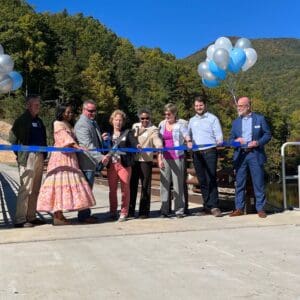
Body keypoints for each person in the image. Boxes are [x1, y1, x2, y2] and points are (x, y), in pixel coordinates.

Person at [37, 104, 96, 225]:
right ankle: (58, 215)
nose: (69, 114)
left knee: (68, 186)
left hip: (70, 158)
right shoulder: (57, 123)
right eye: (67, 112)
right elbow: (64, 139)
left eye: (71, 112)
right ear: (61, 112)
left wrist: (79, 146)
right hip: (61, 158)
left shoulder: (69, 124)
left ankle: (60, 216)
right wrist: (77, 147)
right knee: (59, 186)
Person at [229, 96, 271, 218]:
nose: (239, 108)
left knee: (258, 182)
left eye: (241, 106)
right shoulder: (236, 122)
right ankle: (239, 208)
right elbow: (230, 139)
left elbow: (268, 134)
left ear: (248, 106)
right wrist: (236, 140)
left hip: (255, 154)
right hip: (240, 155)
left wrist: (257, 142)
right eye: (238, 106)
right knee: (240, 183)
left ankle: (261, 209)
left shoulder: (260, 119)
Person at [9, 94, 47, 228]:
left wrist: (43, 154)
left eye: (39, 104)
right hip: (28, 157)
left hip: (39, 156)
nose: (38, 107)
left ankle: (31, 216)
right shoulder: (21, 120)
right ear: (28, 105)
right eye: (36, 104)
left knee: (35, 188)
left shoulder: (39, 121)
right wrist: (21, 155)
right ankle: (20, 219)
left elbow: (43, 138)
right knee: (25, 189)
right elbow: (13, 140)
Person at [187, 96, 223, 217]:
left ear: (205, 105)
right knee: (201, 180)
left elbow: (219, 135)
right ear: (194, 107)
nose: (199, 107)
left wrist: (219, 140)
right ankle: (206, 206)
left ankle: (214, 206)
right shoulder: (191, 120)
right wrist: (189, 141)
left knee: (211, 178)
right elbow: (188, 136)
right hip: (197, 154)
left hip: (210, 152)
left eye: (201, 105)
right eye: (196, 105)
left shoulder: (213, 118)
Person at [74, 99, 109, 223]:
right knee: (86, 189)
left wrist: (101, 138)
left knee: (88, 189)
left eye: (94, 111)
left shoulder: (92, 122)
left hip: (90, 162)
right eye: (90, 111)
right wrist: (101, 157)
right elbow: (87, 145)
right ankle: (83, 216)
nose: (93, 113)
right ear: (83, 110)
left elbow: (92, 141)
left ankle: (85, 213)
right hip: (86, 162)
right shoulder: (82, 124)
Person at [103, 110, 139, 222]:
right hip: (112, 165)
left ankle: (124, 212)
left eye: (120, 120)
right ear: (112, 120)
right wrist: (103, 140)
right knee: (112, 190)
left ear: (123, 121)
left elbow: (133, 141)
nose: (118, 122)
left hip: (124, 165)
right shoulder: (107, 134)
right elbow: (104, 148)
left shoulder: (128, 133)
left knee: (125, 189)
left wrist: (137, 145)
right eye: (116, 120)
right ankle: (113, 211)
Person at [129, 108, 163, 218]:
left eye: (147, 118)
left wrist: (159, 145)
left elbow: (156, 139)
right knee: (132, 186)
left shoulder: (153, 129)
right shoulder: (135, 126)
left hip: (146, 161)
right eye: (142, 118)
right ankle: (130, 210)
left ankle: (144, 212)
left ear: (150, 118)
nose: (145, 120)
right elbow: (131, 139)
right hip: (135, 160)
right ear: (139, 118)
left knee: (145, 186)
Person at [158, 103, 190, 218]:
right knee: (164, 184)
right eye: (165, 114)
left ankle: (179, 210)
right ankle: (164, 210)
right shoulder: (162, 124)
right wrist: (159, 158)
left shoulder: (180, 125)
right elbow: (159, 142)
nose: (167, 116)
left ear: (174, 113)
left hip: (177, 157)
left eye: (169, 114)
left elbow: (186, 135)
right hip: (165, 157)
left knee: (178, 185)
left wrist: (189, 141)